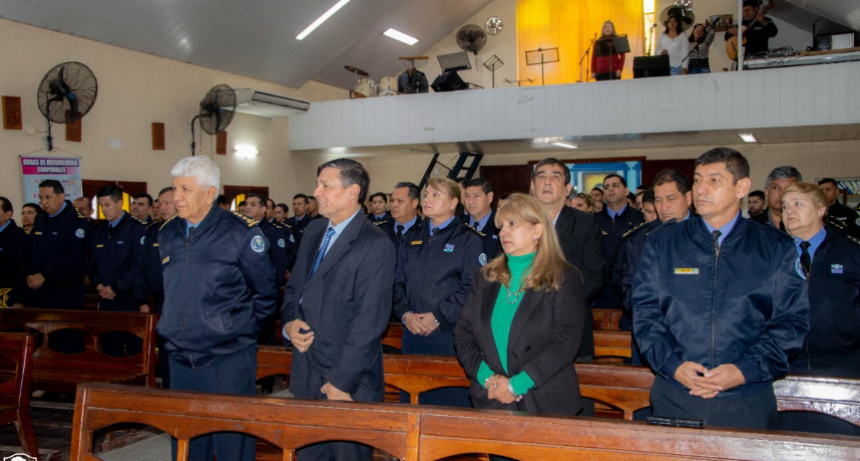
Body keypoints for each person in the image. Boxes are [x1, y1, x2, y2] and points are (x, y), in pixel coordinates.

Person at [633, 148, 809, 430]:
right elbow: (645, 313)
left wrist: (744, 371)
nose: (701, 189)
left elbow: (791, 322)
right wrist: (672, 364)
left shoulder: (775, 247)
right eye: (697, 180)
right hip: (677, 393)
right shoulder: (664, 243)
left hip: (746, 396)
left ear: (742, 187)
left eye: (714, 180)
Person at [158, 156, 277, 461]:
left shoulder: (240, 233)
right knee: (186, 440)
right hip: (180, 356)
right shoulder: (168, 233)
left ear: (210, 193)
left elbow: (264, 294)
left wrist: (239, 334)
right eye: (175, 188)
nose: (176, 196)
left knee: (230, 442)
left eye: (186, 188)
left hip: (227, 359)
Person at [282, 158, 395, 461]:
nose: (316, 192)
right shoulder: (314, 231)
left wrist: (340, 382)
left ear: (351, 191)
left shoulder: (375, 243)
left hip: (347, 384)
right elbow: (295, 291)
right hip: (307, 373)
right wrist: (289, 324)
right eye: (318, 184)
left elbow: (369, 322)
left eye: (325, 185)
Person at [454, 194, 587, 419]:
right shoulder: (485, 278)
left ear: (537, 230)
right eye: (501, 225)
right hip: (492, 399)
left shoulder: (562, 277)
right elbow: (463, 333)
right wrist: (487, 379)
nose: (503, 232)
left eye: (512, 224)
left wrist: (516, 385)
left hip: (543, 400)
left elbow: (566, 341)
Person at [778, 182, 860, 437]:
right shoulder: (772, 255)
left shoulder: (851, 252)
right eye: (784, 206)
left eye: (797, 204)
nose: (788, 211)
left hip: (843, 369)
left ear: (822, 210)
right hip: (784, 370)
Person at [394, 177, 484, 407]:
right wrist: (405, 314)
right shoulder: (411, 237)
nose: (428, 199)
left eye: (436, 195)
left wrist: (438, 315)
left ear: (454, 202)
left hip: (449, 334)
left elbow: (473, 288)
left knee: (448, 404)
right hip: (413, 333)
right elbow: (396, 283)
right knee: (413, 402)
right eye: (426, 195)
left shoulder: (468, 239)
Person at [531, 158, 604, 370]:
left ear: (567, 188)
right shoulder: (518, 222)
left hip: (570, 326)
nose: (547, 182)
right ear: (533, 187)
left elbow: (593, 275)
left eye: (555, 177)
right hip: (524, 329)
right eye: (541, 176)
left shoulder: (585, 223)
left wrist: (552, 305)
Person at [89, 185, 147, 357]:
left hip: (128, 300)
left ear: (120, 203)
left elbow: (138, 264)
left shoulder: (136, 229)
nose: (104, 210)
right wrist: (98, 284)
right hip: (106, 301)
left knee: (133, 351)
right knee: (109, 350)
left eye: (107, 205)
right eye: (101, 206)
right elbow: (91, 262)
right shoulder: (99, 231)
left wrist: (116, 287)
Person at [26, 180, 90, 310]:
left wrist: (45, 275)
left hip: (65, 291)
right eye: (41, 198)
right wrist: (29, 274)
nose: (44, 202)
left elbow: (74, 255)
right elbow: (31, 248)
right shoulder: (41, 219)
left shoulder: (76, 220)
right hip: (39, 289)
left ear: (61, 197)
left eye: (48, 197)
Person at [136, 186, 177, 387]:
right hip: (160, 301)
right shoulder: (153, 231)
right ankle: (168, 387)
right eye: (160, 203)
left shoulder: (185, 230)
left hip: (180, 301)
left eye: (168, 203)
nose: (162, 207)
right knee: (164, 346)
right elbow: (142, 266)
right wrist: (142, 299)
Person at [596, 174, 644, 309]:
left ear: (627, 191)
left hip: (631, 288)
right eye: (606, 187)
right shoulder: (593, 221)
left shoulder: (639, 219)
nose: (610, 189)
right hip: (601, 290)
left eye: (615, 186)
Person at [244, 194, 296, 288]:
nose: (247, 207)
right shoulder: (242, 230)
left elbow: (279, 263)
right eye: (246, 204)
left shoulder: (273, 231)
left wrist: (272, 288)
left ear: (263, 209)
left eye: (253, 204)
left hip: (264, 286)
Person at [751, 165, 802, 232]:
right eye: (776, 188)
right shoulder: (751, 226)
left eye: (788, 189)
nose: (781, 194)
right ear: (767, 193)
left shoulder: (808, 225)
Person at [379, 182, 422, 252]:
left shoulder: (426, 231)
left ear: (414, 203)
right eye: (392, 200)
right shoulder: (381, 231)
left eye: (400, 201)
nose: (393, 205)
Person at [0, 196, 27, 308]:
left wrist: (20, 299)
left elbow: (24, 270)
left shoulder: (18, 237)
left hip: (8, 297)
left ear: (8, 214)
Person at [464, 178, 500, 257]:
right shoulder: (458, 224)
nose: (470, 202)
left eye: (476, 196)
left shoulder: (500, 224)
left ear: (489, 197)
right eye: (467, 196)